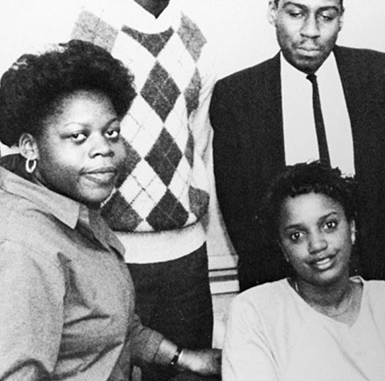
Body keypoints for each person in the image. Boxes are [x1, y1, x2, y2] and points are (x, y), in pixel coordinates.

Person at [0, 40, 220, 380]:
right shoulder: (24, 247)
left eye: (112, 132)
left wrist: (185, 358)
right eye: (78, 136)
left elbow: (112, 329)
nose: (103, 148)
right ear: (31, 147)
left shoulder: (77, 209)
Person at [67, 0, 217, 380]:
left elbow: (200, 147)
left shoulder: (196, 38)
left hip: (188, 257)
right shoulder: (87, 38)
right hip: (114, 256)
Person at [210, 0, 385, 292]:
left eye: (326, 16)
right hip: (281, 287)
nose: (311, 31)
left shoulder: (382, 77)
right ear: (273, 12)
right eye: (296, 13)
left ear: (341, 18)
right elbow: (241, 215)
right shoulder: (236, 96)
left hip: (372, 280)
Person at [222, 161, 385, 381]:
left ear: (352, 228)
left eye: (329, 225)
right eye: (297, 236)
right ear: (283, 249)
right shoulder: (254, 312)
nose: (317, 245)